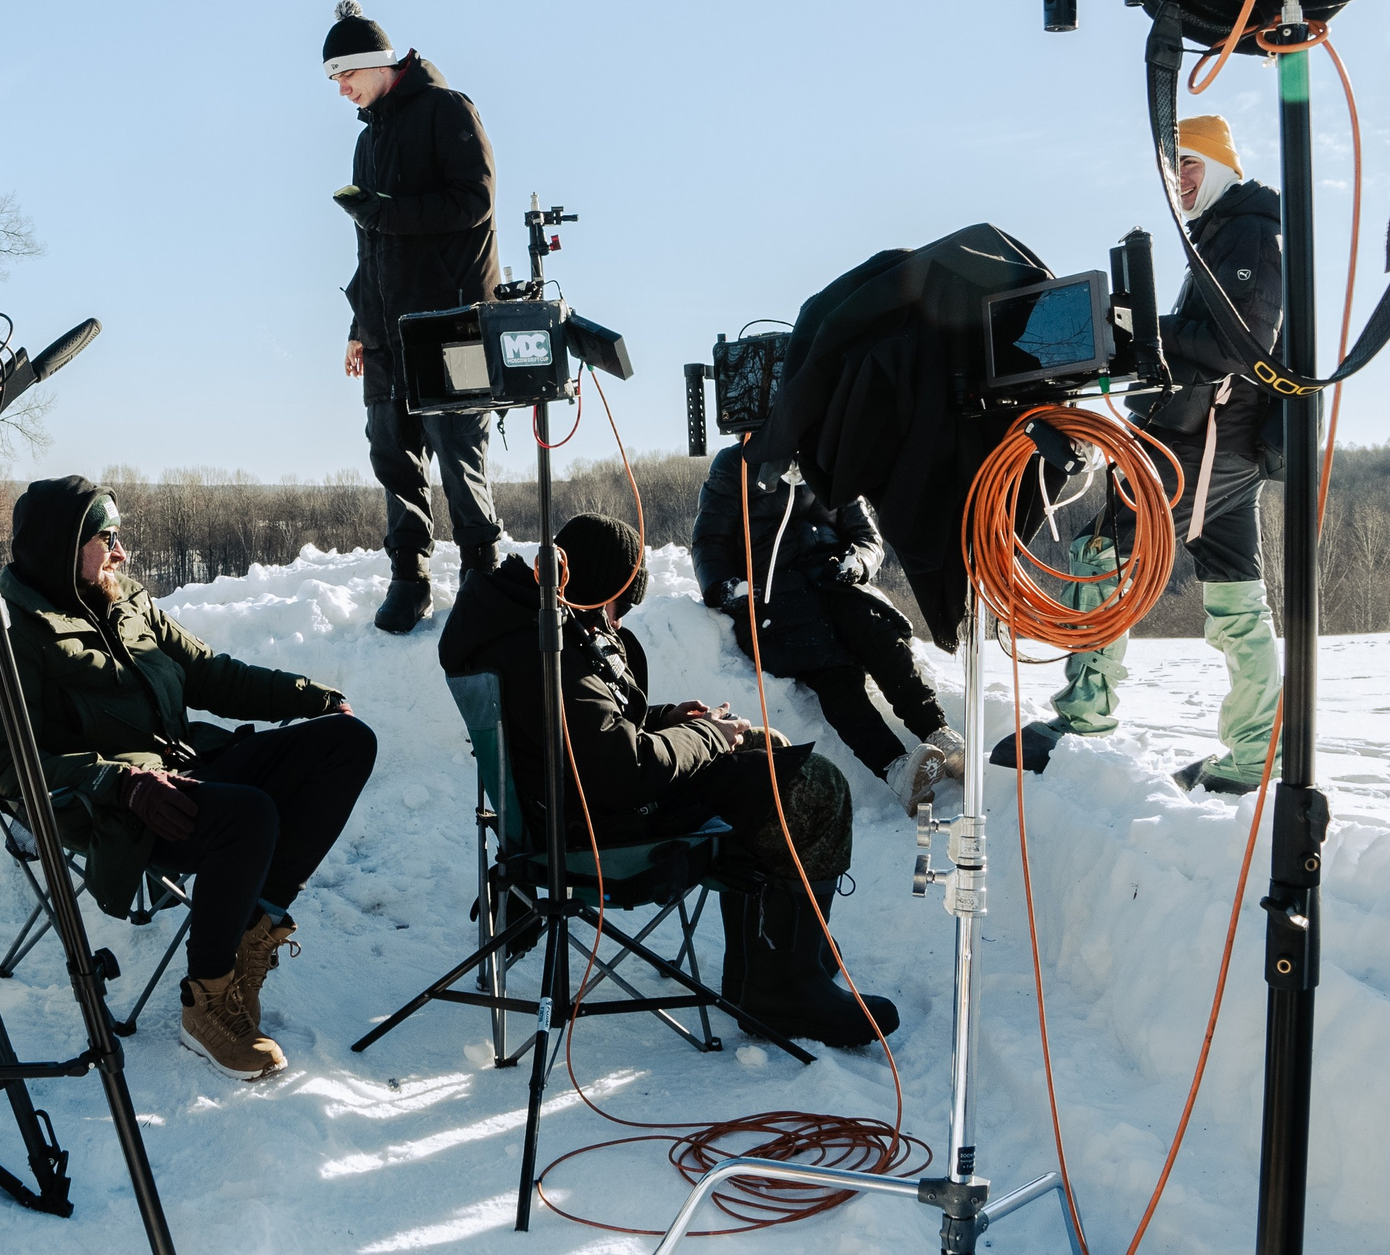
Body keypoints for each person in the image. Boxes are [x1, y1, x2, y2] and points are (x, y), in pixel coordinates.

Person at [0, 475, 378, 1080]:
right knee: (250, 814)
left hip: (184, 766)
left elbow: (211, 674)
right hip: (106, 805)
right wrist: (119, 783)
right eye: (107, 537)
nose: (121, 551)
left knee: (347, 743)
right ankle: (206, 1000)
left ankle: (250, 929)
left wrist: (312, 697)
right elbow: (2, 765)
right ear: (62, 546)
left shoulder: (126, 599)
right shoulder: (5, 633)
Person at [438, 512, 900, 1048]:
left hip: (573, 809)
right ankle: (781, 986)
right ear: (595, 588)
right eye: (620, 606)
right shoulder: (549, 648)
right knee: (811, 785)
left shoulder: (518, 625)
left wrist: (669, 718)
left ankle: (778, 957)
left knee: (766, 749)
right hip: (601, 829)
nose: (616, 624)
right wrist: (710, 737)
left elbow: (584, 730)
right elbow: (625, 770)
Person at [992, 112, 1285, 794]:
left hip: (1200, 446)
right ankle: (1247, 761)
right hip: (1223, 445)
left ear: (1217, 165)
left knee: (1102, 556)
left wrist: (1139, 325)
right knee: (1239, 600)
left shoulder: (1246, 230)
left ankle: (1085, 717)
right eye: (1171, 167)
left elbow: (1239, 345)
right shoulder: (1221, 233)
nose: (1178, 180)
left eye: (1188, 164)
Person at [325, 0, 505, 633]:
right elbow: (369, 245)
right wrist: (357, 324)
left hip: (450, 319)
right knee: (391, 454)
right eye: (333, 80)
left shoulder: (447, 110)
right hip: (384, 329)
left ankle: (482, 575)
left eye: (345, 74)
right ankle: (410, 576)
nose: (340, 89)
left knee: (458, 452)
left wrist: (386, 213)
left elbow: (475, 201)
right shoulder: (366, 141)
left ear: (377, 63)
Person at [691, 442, 964, 813]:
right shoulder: (736, 465)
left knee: (881, 640)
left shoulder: (829, 458)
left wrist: (860, 562)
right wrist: (725, 587)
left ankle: (937, 732)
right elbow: (709, 539)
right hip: (777, 591)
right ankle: (896, 768)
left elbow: (867, 535)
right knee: (830, 668)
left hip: (834, 577)